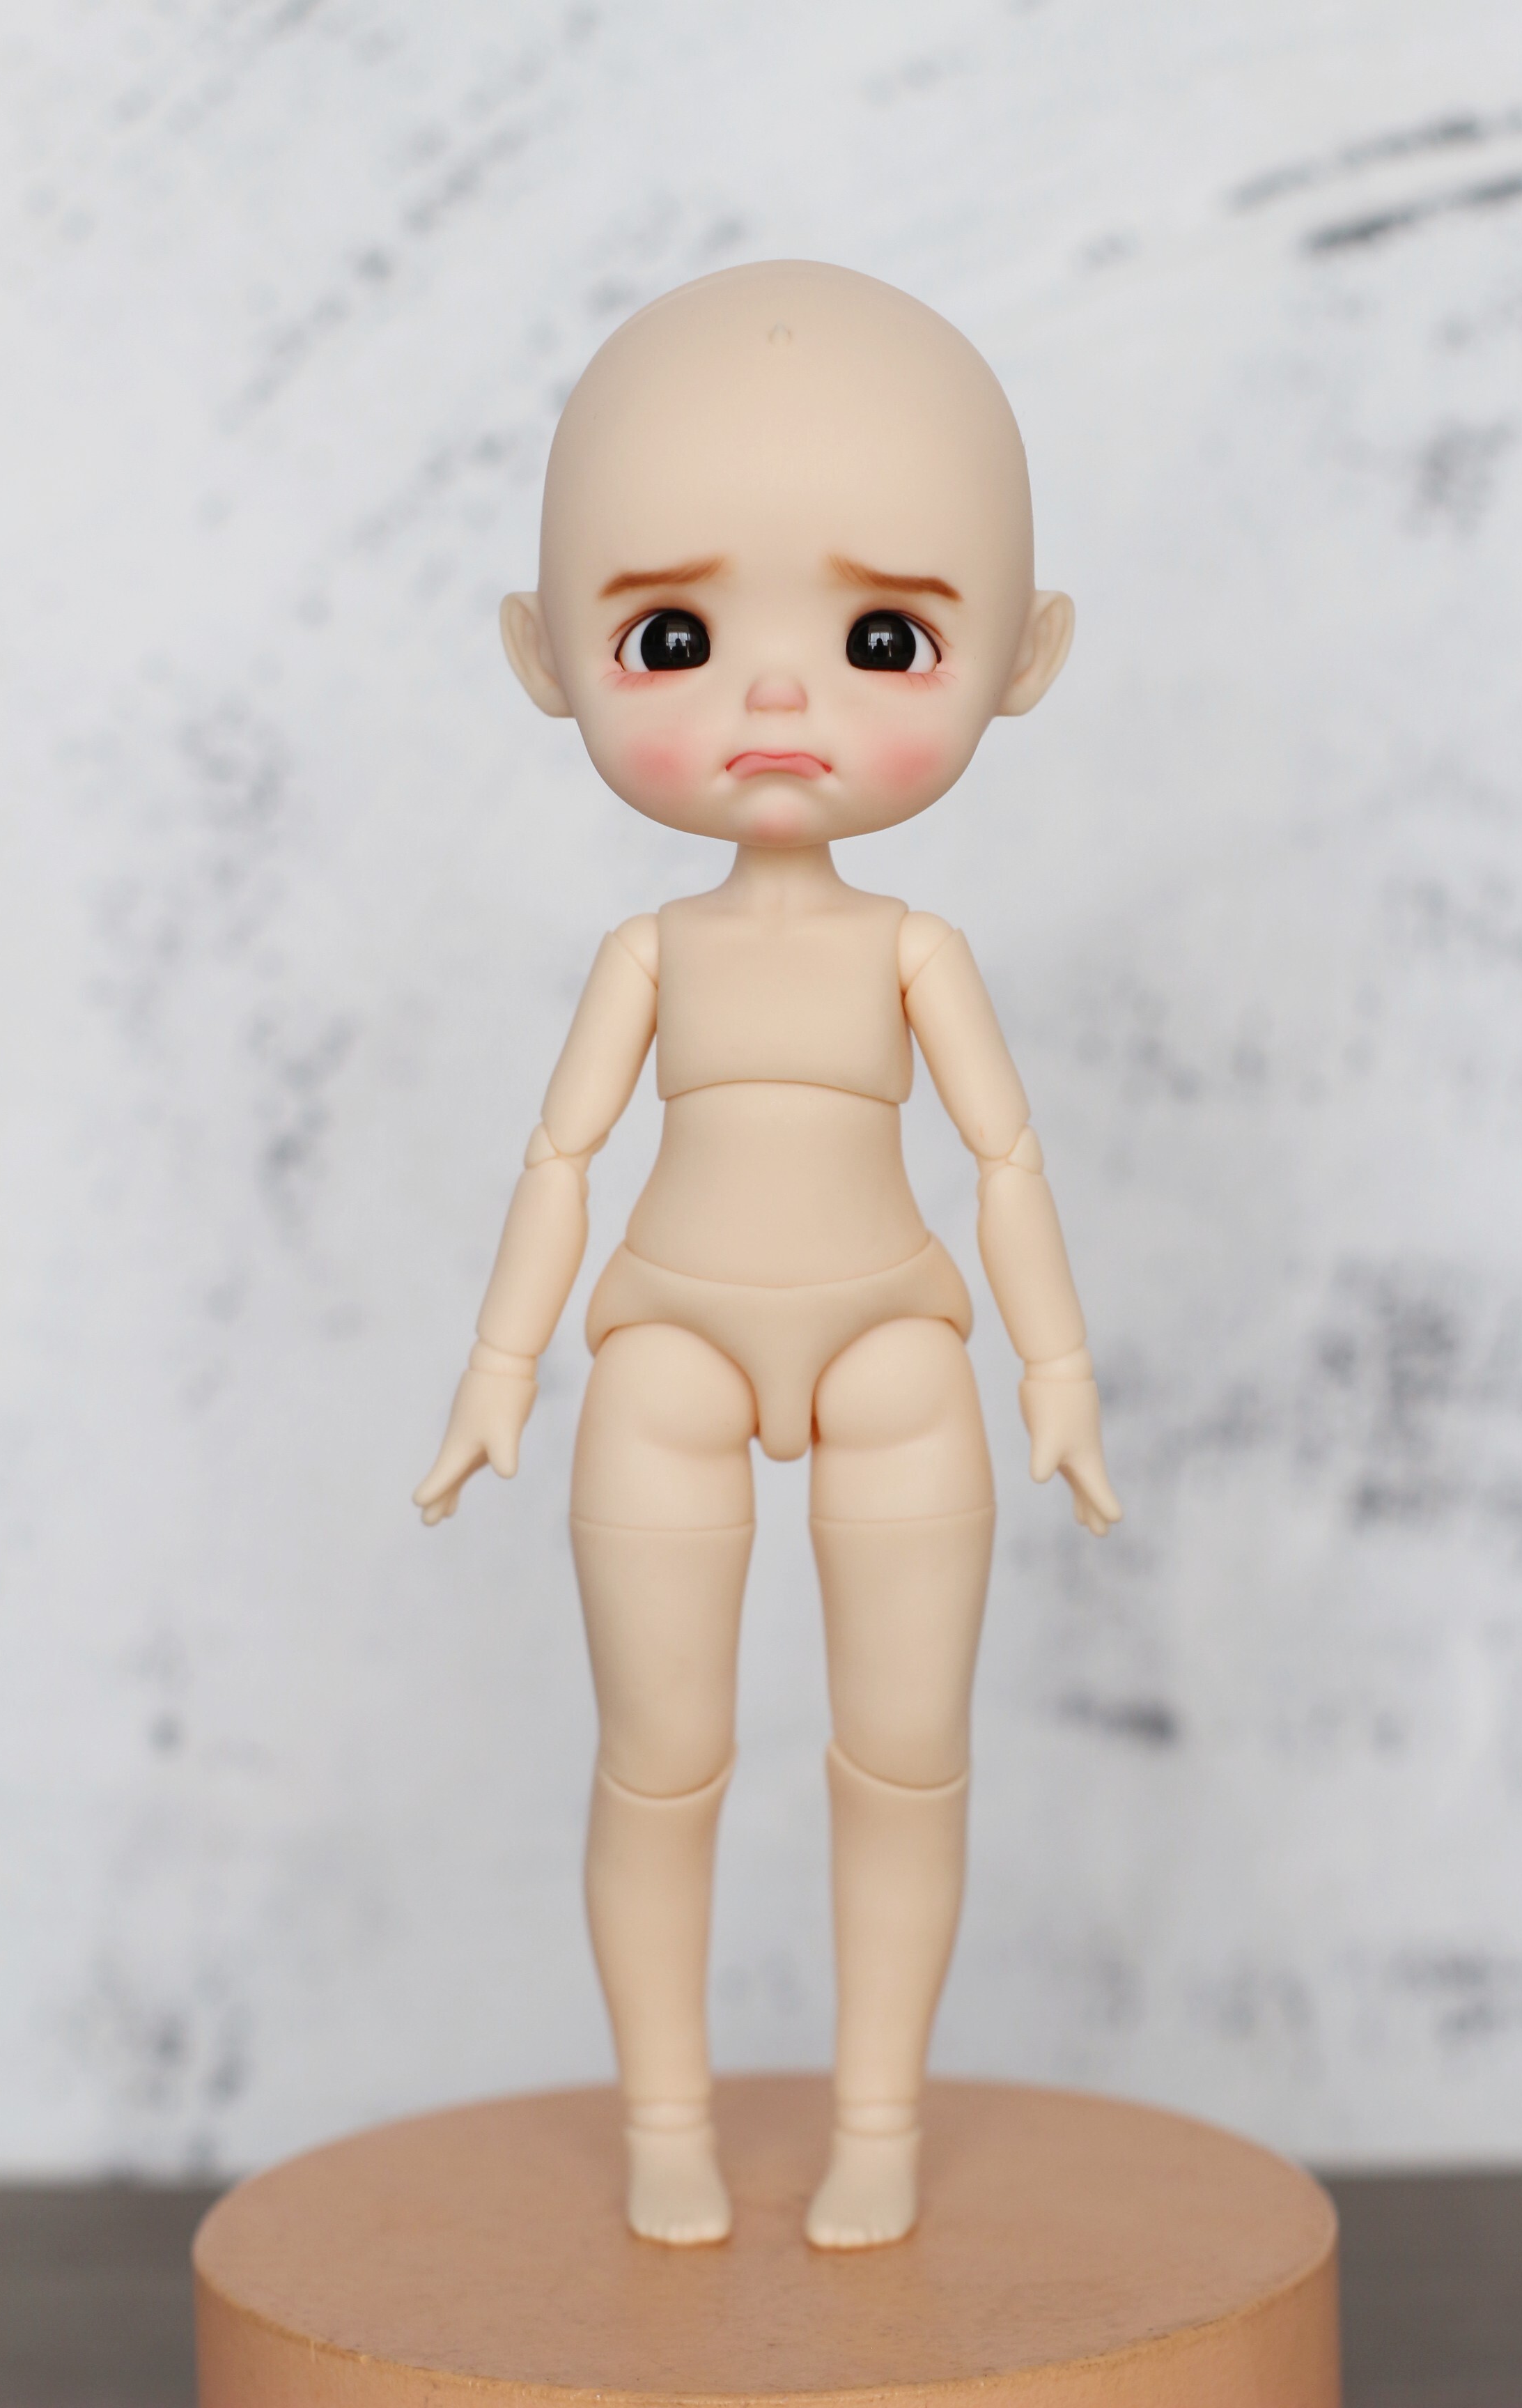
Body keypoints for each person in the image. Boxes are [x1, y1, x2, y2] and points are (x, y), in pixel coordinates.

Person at [414, 261, 1121, 2251]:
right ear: (543, 653)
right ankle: (669, 2122)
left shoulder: (918, 952)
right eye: (676, 637)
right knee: (665, 1763)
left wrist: (1058, 1374)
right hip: (671, 1347)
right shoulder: (650, 954)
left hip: (894, 1342)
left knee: (903, 1762)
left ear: (1027, 655)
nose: (782, 698)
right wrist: (497, 1373)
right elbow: (563, 1158)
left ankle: (878, 2126)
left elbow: (1006, 1159)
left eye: (887, 637)